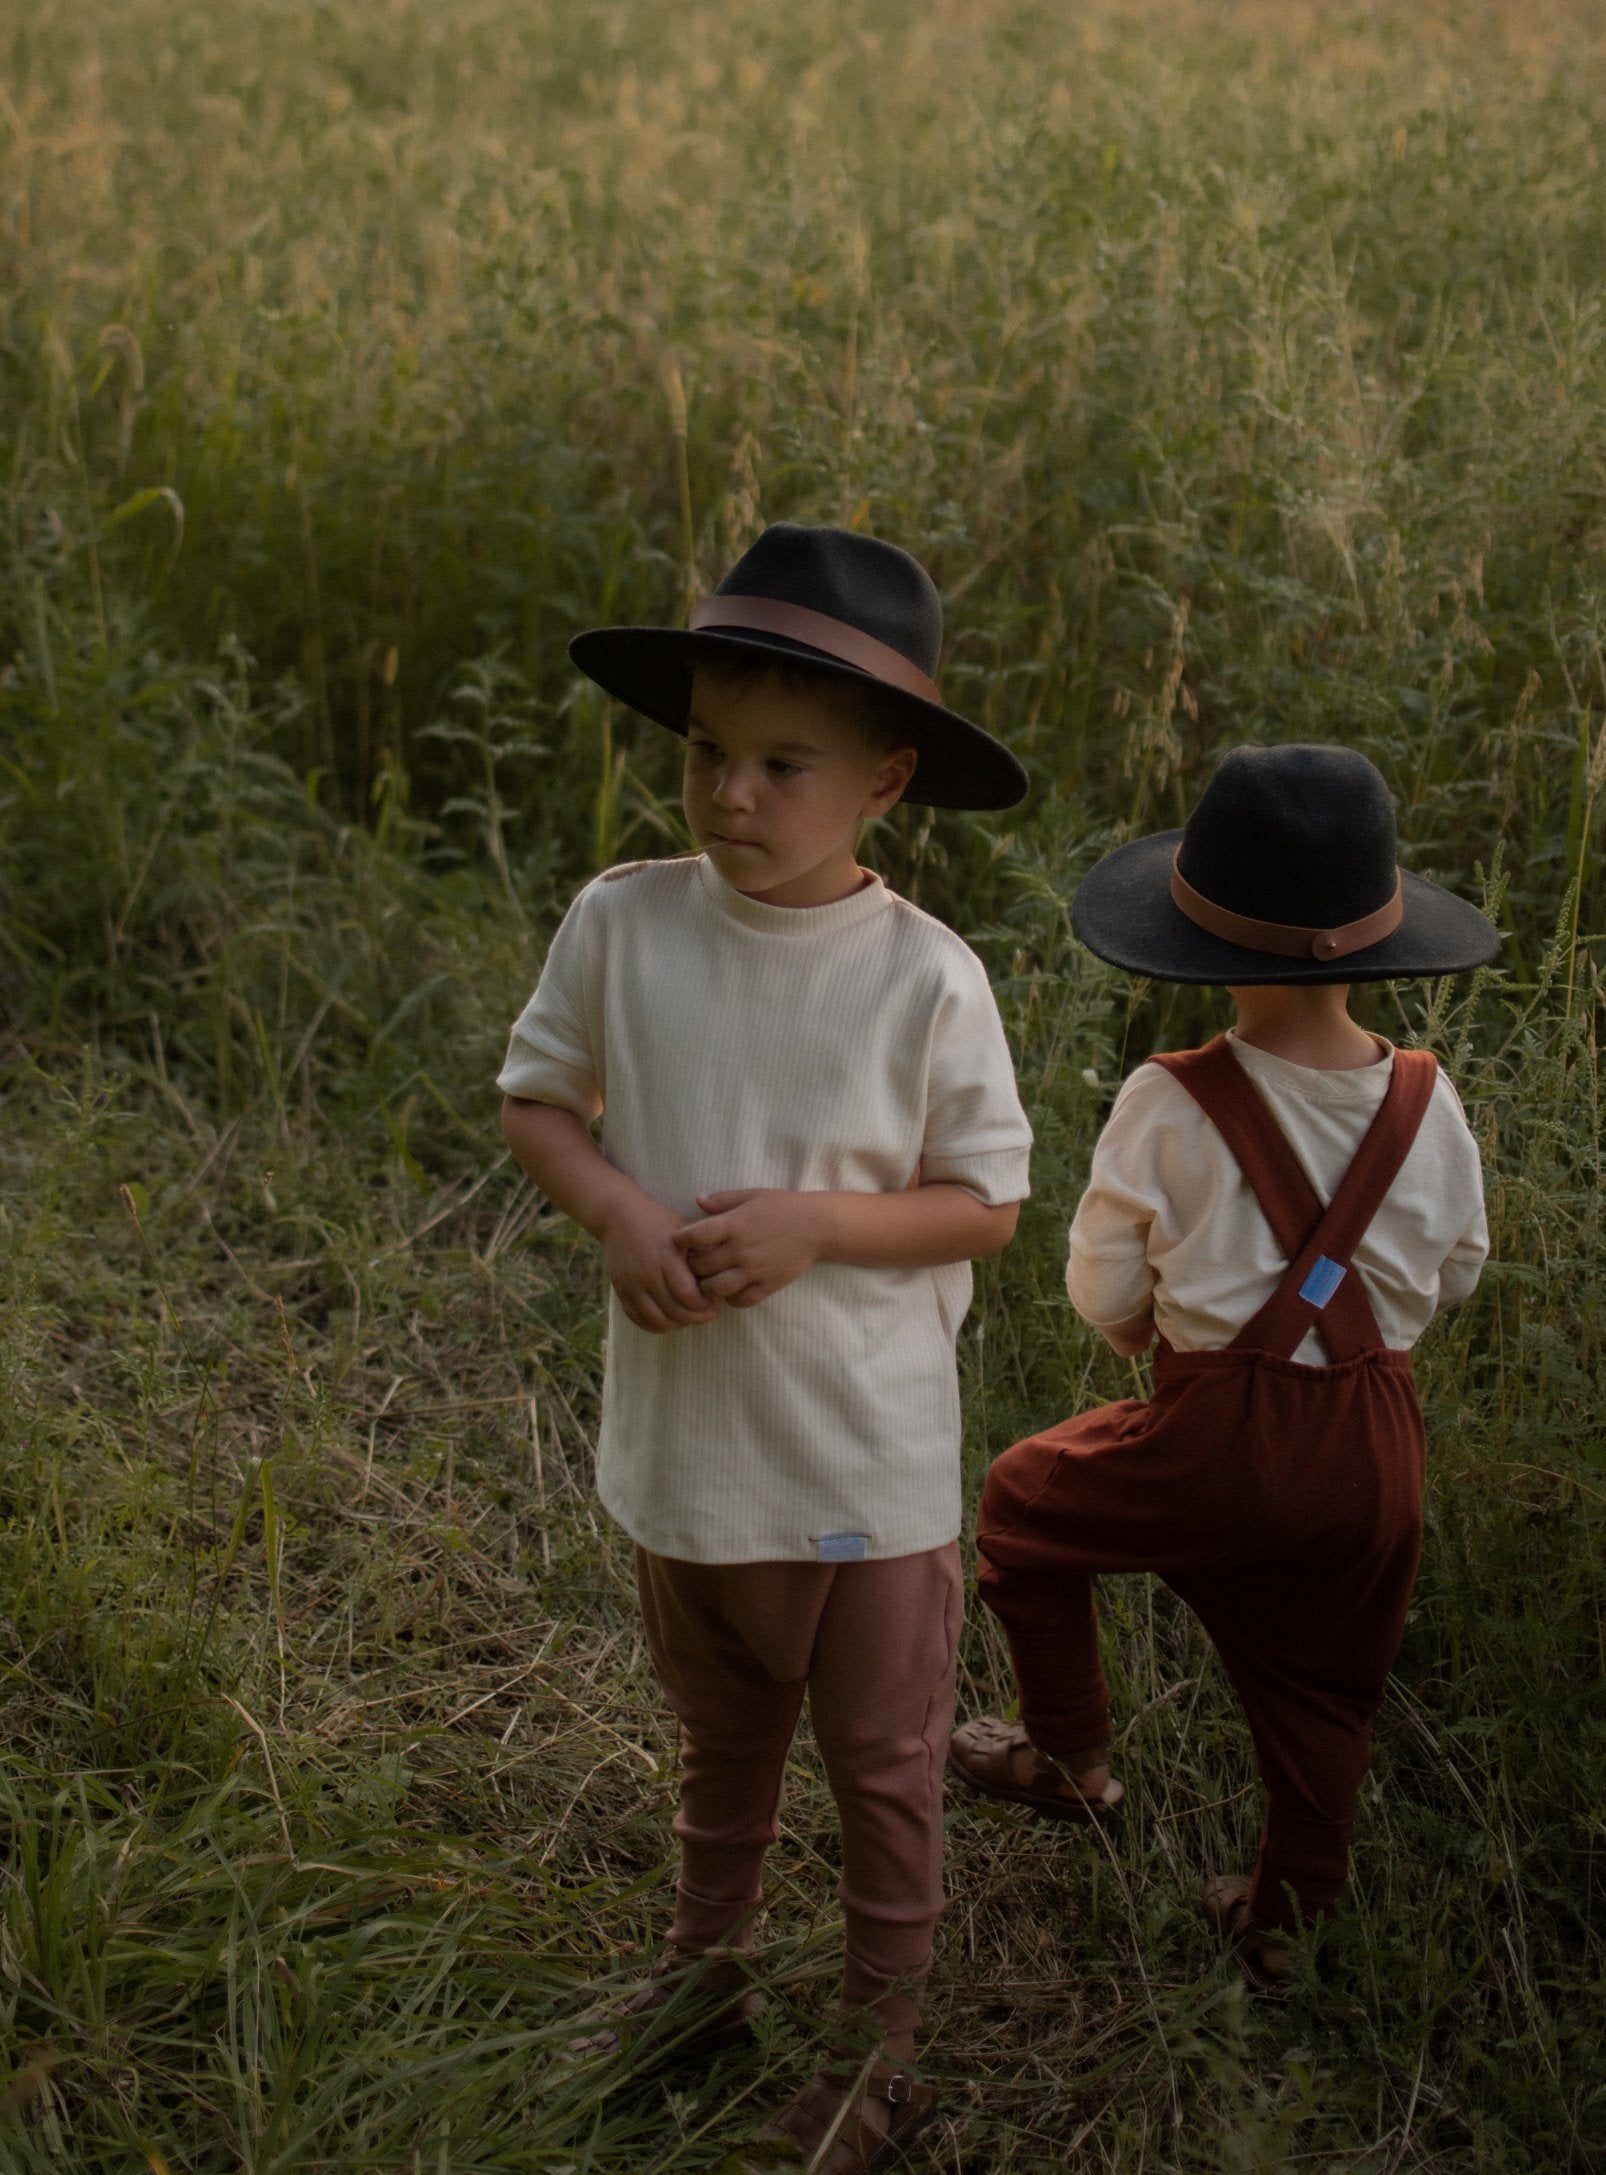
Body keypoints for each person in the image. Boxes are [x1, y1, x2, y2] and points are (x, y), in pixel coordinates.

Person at [500, 524, 1032, 2168]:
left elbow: (984, 1204)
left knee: (882, 1760)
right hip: (693, 1432)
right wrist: (617, 1211)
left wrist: (815, 1226)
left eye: (782, 766)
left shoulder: (924, 978)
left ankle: (880, 2050)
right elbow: (539, 1100)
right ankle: (700, 1978)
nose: (730, 795)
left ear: (885, 783)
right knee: (722, 1735)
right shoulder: (624, 923)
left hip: (864, 1450)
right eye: (706, 753)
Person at [948, 743, 1499, 1988]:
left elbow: (1104, 1285)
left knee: (1024, 1505)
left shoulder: (1172, 1097)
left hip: (1217, 1435)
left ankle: (1068, 1757)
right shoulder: (1430, 1098)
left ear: (1200, 945)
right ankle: (1284, 1923)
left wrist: (1145, 1334)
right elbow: (1457, 1268)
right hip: (1376, 1449)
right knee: (1322, 1687)